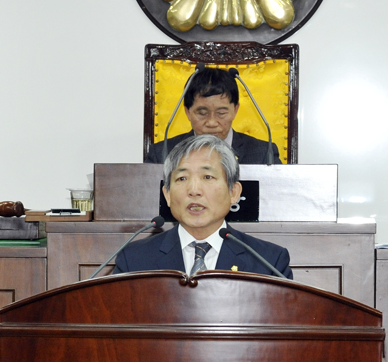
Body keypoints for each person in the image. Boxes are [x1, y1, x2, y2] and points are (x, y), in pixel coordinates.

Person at [117, 134, 292, 277]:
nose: (194, 190)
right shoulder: (133, 260)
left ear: (233, 192)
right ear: (167, 195)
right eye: (182, 178)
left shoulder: (269, 262)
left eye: (208, 177)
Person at [145, 65, 283, 165]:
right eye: (202, 113)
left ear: (235, 110)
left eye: (221, 113)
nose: (212, 122)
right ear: (188, 112)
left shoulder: (263, 153)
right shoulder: (162, 154)